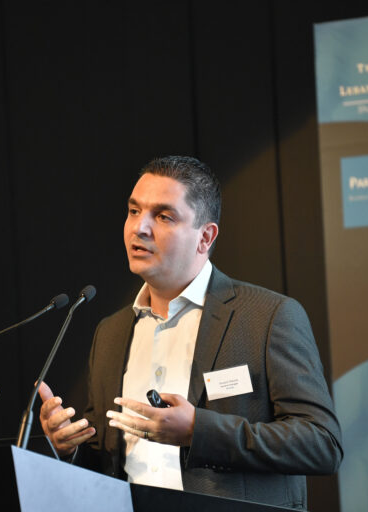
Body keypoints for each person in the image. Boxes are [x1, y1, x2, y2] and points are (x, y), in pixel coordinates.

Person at [38, 156, 342, 509]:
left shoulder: (268, 317)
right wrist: (69, 447)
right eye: (134, 211)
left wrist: (198, 431)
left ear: (205, 236)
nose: (140, 228)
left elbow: (322, 444)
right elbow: (109, 458)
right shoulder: (110, 333)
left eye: (163, 216)